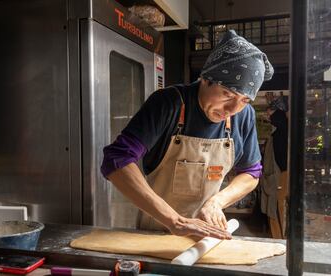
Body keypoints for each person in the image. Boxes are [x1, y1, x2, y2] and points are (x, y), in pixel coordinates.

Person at [101, 30, 274, 239]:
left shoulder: (244, 115)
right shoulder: (168, 104)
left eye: (245, 100)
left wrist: (216, 202)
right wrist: (175, 221)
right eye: (227, 94)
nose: (232, 109)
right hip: (155, 233)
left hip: (207, 235)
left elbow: (251, 173)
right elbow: (117, 160)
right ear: (205, 79)